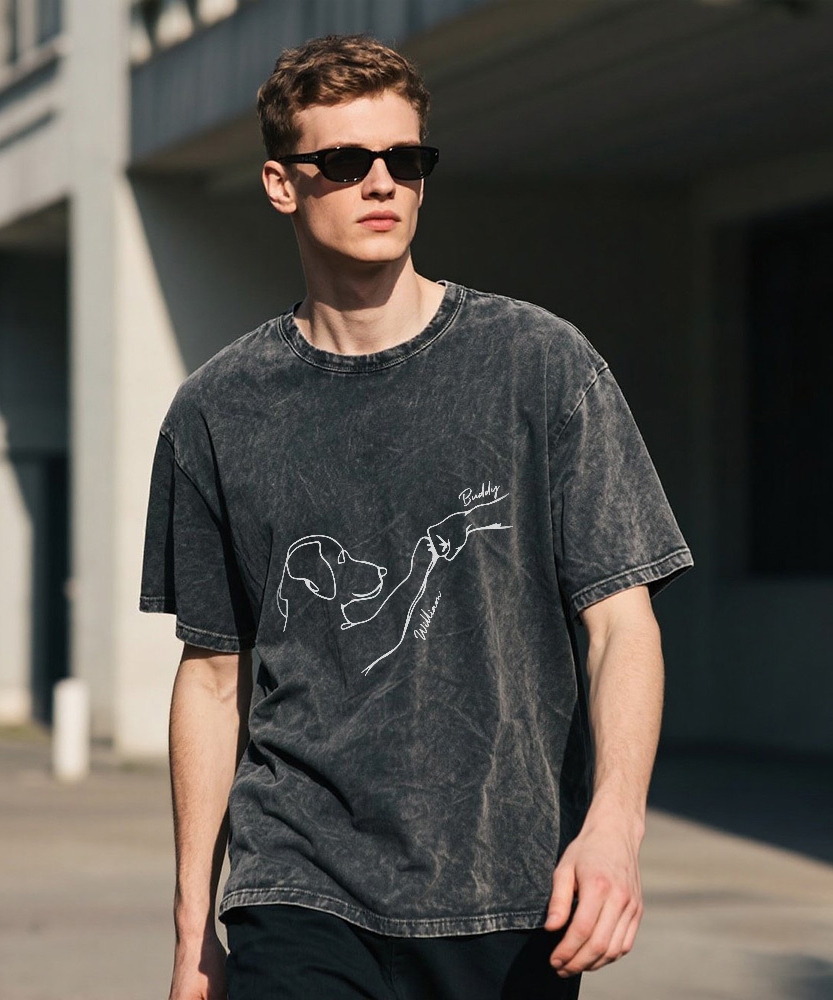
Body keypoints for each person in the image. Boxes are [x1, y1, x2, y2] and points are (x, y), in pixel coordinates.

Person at [139, 31, 694, 1000]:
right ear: (280, 183)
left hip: (508, 891)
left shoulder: (541, 366)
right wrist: (194, 928)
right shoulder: (216, 411)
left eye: (405, 159)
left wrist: (614, 824)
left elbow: (620, 625)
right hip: (296, 885)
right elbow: (213, 677)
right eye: (345, 162)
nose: (381, 182)